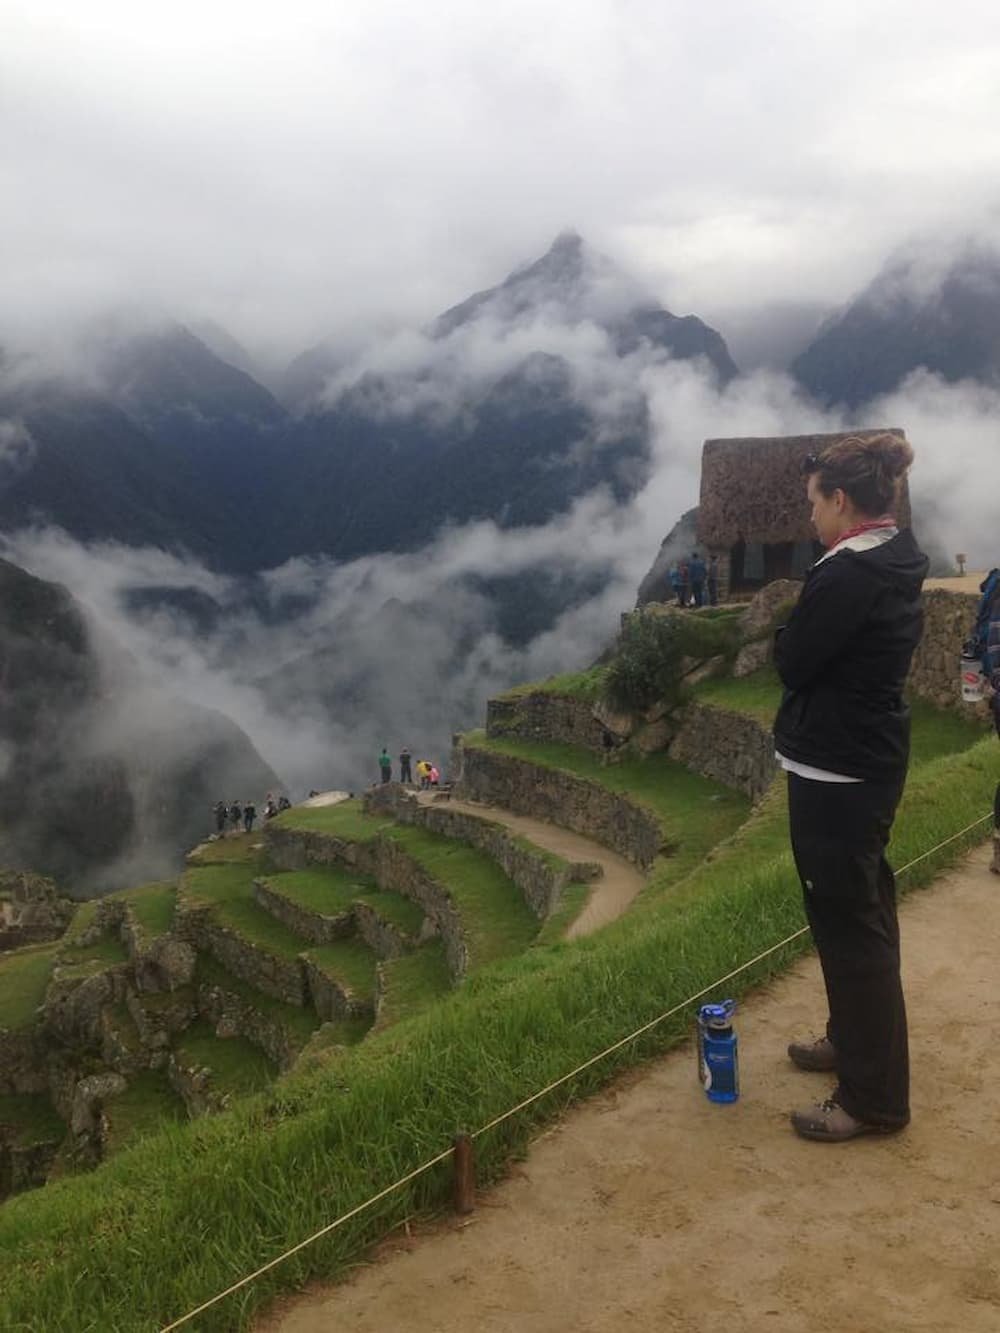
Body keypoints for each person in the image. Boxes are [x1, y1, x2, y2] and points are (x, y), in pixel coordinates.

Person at [773, 433, 928, 1143]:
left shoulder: (845, 576)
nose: (810, 517)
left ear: (841, 500)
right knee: (856, 908)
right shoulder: (894, 555)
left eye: (814, 503)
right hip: (865, 758)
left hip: (837, 768)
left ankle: (872, 1097)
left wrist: (786, 637)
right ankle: (853, 1039)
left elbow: (793, 659)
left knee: (850, 920)